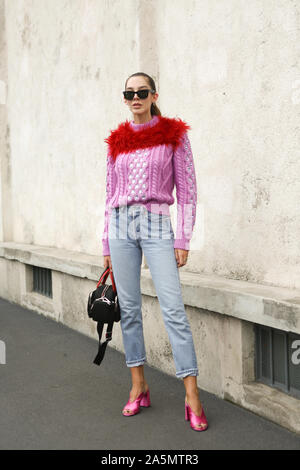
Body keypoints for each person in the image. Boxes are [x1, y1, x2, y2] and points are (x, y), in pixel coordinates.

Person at [102, 72, 208, 431]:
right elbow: (108, 193)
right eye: (129, 93)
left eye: (141, 92)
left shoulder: (173, 136)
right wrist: (105, 242)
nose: (135, 97)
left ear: (153, 95)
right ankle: (138, 385)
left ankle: (192, 394)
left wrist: (183, 237)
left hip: (156, 223)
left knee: (173, 308)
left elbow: (188, 190)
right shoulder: (116, 141)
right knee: (129, 310)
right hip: (119, 227)